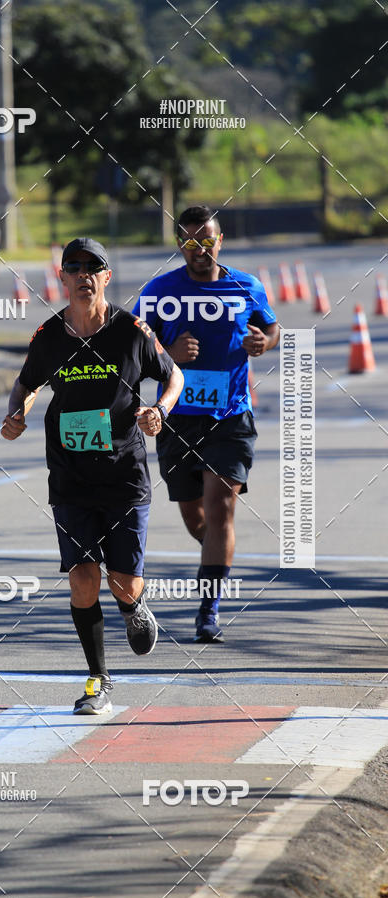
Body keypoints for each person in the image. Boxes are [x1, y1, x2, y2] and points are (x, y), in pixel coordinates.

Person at [2, 237, 183, 714]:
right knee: (83, 577)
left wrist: (159, 411)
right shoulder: (50, 336)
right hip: (69, 475)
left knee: (123, 582)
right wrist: (17, 413)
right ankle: (97, 679)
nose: (83, 275)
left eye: (93, 267)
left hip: (123, 473)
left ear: (106, 277)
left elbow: (174, 375)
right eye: (74, 267)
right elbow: (26, 383)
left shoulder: (130, 331)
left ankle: (132, 607)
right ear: (61, 278)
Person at [133, 206, 279, 643]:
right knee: (196, 518)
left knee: (220, 511)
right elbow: (133, 342)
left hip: (230, 415)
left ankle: (208, 609)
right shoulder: (160, 290)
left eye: (207, 239)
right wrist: (167, 352)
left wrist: (263, 342)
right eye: (190, 241)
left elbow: (272, 330)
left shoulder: (246, 286)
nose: (200, 248)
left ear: (221, 239)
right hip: (176, 417)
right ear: (180, 245)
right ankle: (216, 557)